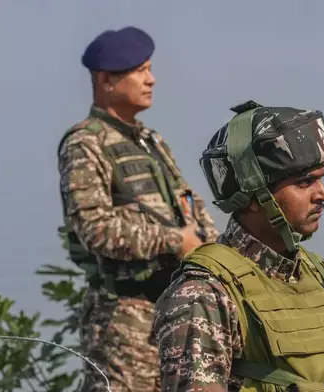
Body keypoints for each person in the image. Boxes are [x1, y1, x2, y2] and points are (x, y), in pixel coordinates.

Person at [154, 100, 324, 392]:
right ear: (251, 196)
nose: (322, 194)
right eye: (304, 183)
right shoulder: (204, 294)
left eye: (320, 180)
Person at [57, 26, 220, 392]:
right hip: (125, 320)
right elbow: (94, 228)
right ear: (107, 80)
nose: (152, 79)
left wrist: (216, 255)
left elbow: (189, 206)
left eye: (150, 69)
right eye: (141, 70)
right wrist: (174, 241)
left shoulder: (151, 141)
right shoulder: (85, 143)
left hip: (175, 308)